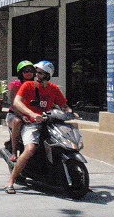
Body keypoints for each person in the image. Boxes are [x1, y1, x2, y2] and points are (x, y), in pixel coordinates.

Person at [4, 60, 73, 194]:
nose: (36, 75)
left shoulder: (53, 88)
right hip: (31, 123)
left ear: (47, 75)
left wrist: (69, 111)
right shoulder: (28, 85)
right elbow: (17, 103)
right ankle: (11, 180)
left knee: (67, 143)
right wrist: (30, 113)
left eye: (40, 73)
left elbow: (63, 105)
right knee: (30, 149)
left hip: (49, 123)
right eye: (36, 72)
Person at [6, 60, 35, 162]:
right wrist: (22, 116)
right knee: (17, 122)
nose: (29, 73)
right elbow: (13, 104)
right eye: (25, 71)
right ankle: (14, 152)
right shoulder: (15, 85)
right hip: (15, 115)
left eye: (31, 70)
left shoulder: (36, 85)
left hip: (32, 115)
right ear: (21, 73)